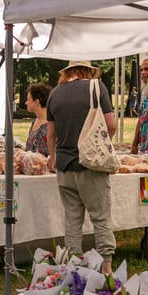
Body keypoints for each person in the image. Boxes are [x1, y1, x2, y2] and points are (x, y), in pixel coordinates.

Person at [47, 60, 116, 275]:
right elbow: (111, 125)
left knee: (72, 219)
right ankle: (106, 266)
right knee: (100, 216)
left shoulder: (54, 94)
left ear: (68, 72)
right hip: (91, 165)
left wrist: (52, 156)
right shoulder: (97, 87)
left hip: (64, 166)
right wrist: (101, 145)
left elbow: (51, 134)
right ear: (88, 71)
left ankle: (74, 266)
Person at [24, 82, 51, 155]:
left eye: (28, 99)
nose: (26, 103)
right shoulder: (35, 121)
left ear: (36, 102)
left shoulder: (50, 125)